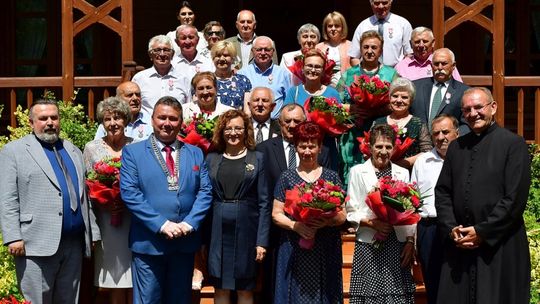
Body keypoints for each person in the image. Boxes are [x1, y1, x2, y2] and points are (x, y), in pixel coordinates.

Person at [435, 87, 531, 304]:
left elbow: (514, 198)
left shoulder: (513, 144)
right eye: (467, 109)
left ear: (493, 107)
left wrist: (482, 231)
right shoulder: (456, 148)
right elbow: (442, 192)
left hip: (500, 245)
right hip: (460, 246)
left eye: (478, 107)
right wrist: (452, 229)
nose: (473, 113)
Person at [0, 99, 100, 304]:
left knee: (69, 300)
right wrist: (13, 237)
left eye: (54, 117)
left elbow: (84, 196)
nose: (49, 122)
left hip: (73, 243)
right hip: (34, 243)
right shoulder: (14, 151)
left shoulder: (72, 150)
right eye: (43, 118)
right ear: (30, 123)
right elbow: (7, 198)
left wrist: (93, 232)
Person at [120, 96, 213, 303]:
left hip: (184, 242)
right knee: (149, 300)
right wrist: (161, 224)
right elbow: (130, 193)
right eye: (162, 117)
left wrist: (190, 222)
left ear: (181, 122)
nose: (167, 123)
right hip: (149, 242)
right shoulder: (133, 153)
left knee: (179, 299)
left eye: (173, 118)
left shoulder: (195, 153)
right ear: (152, 119)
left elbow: (205, 192)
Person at [256, 105, 331, 304]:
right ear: (279, 123)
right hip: (279, 234)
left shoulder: (323, 152)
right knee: (277, 288)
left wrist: (319, 220)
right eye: (287, 121)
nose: (291, 125)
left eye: (297, 121)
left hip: (318, 234)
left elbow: (330, 193)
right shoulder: (263, 150)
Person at [272, 121, 345, 303]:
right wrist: (295, 225)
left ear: (320, 148)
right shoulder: (286, 177)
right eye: (302, 146)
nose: (307, 151)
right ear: (295, 147)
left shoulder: (331, 177)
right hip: (294, 246)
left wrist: (327, 221)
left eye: (312, 146)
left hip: (325, 245)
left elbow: (343, 214)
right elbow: (276, 213)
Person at [206, 109, 271, 304]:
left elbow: (264, 203)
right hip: (216, 232)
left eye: (238, 128)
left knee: (244, 289)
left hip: (247, 233)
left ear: (246, 131)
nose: (233, 133)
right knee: (220, 288)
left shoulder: (257, 158)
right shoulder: (211, 159)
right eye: (228, 128)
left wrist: (261, 241)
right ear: (222, 131)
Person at [346, 124, 415, 304]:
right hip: (369, 242)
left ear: (394, 148)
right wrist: (373, 224)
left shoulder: (403, 173)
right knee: (369, 296)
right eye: (378, 146)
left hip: (396, 241)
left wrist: (410, 241)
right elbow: (352, 211)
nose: (383, 151)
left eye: (388, 147)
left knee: (396, 294)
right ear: (370, 147)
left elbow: (409, 210)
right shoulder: (357, 172)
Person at [84, 97, 134, 304]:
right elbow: (88, 183)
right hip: (106, 219)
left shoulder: (137, 146)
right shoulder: (91, 148)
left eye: (118, 117)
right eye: (107, 119)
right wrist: (105, 197)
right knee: (113, 276)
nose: (113, 123)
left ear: (126, 120)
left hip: (133, 218)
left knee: (135, 273)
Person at [336, 30, 398, 185]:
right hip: (352, 133)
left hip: (380, 132)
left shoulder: (391, 75)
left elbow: (398, 103)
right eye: (366, 47)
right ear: (360, 49)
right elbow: (336, 103)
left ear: (381, 50)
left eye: (374, 47)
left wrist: (376, 110)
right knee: (351, 173)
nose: (369, 51)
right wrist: (353, 109)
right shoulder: (348, 75)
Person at [410, 113, 459, 304]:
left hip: (457, 227)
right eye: (436, 133)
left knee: (457, 281)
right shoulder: (423, 161)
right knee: (432, 281)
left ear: (457, 133)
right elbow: (413, 199)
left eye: (446, 132)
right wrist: (412, 236)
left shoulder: (465, 158)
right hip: (428, 228)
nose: (440, 137)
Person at [373, 77, 432, 169]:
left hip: (409, 172)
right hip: (380, 171)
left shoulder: (418, 123)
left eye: (404, 97)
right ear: (389, 98)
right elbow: (369, 147)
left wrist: (402, 164)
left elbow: (427, 151)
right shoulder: (378, 122)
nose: (399, 100)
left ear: (411, 100)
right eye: (395, 96)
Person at [410, 48, 469, 133]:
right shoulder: (415, 87)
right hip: (419, 143)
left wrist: (454, 138)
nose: (440, 67)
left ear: (453, 66)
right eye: (436, 64)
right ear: (431, 65)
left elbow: (466, 123)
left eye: (444, 64)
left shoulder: (464, 92)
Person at [133, 35, 190, 117]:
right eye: (157, 50)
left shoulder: (184, 79)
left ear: (172, 54)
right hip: (147, 127)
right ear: (150, 54)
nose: (162, 54)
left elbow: (189, 107)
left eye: (166, 50)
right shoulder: (139, 79)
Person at [238, 36, 292, 120]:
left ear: (273, 51)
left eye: (267, 49)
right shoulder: (242, 73)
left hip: (275, 126)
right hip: (250, 124)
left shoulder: (283, 74)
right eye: (259, 49)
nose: (263, 53)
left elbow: (289, 102)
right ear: (252, 51)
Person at [348, 0, 412, 67]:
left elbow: (409, 55)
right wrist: (365, 74)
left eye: (384, 3)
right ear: (371, 3)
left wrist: (399, 72)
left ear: (390, 2)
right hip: (369, 74)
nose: (380, 6)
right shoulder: (363, 26)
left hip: (395, 73)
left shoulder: (403, 24)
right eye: (377, 3)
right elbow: (354, 58)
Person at [395, 27, 462, 81]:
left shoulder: (445, 63)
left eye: (425, 41)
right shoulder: (401, 67)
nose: (421, 45)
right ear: (411, 44)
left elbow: (458, 88)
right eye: (417, 42)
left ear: (433, 43)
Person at [212, 41, 253, 109]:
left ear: (233, 58)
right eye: (218, 55)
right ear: (213, 58)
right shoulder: (207, 80)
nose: (222, 59)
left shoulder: (243, 80)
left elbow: (247, 110)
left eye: (226, 55)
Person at [316, 11, 352, 87]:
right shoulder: (318, 47)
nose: (333, 29)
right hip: (323, 86)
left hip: (345, 86)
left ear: (342, 28)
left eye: (337, 26)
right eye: (330, 26)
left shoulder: (350, 45)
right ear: (326, 28)